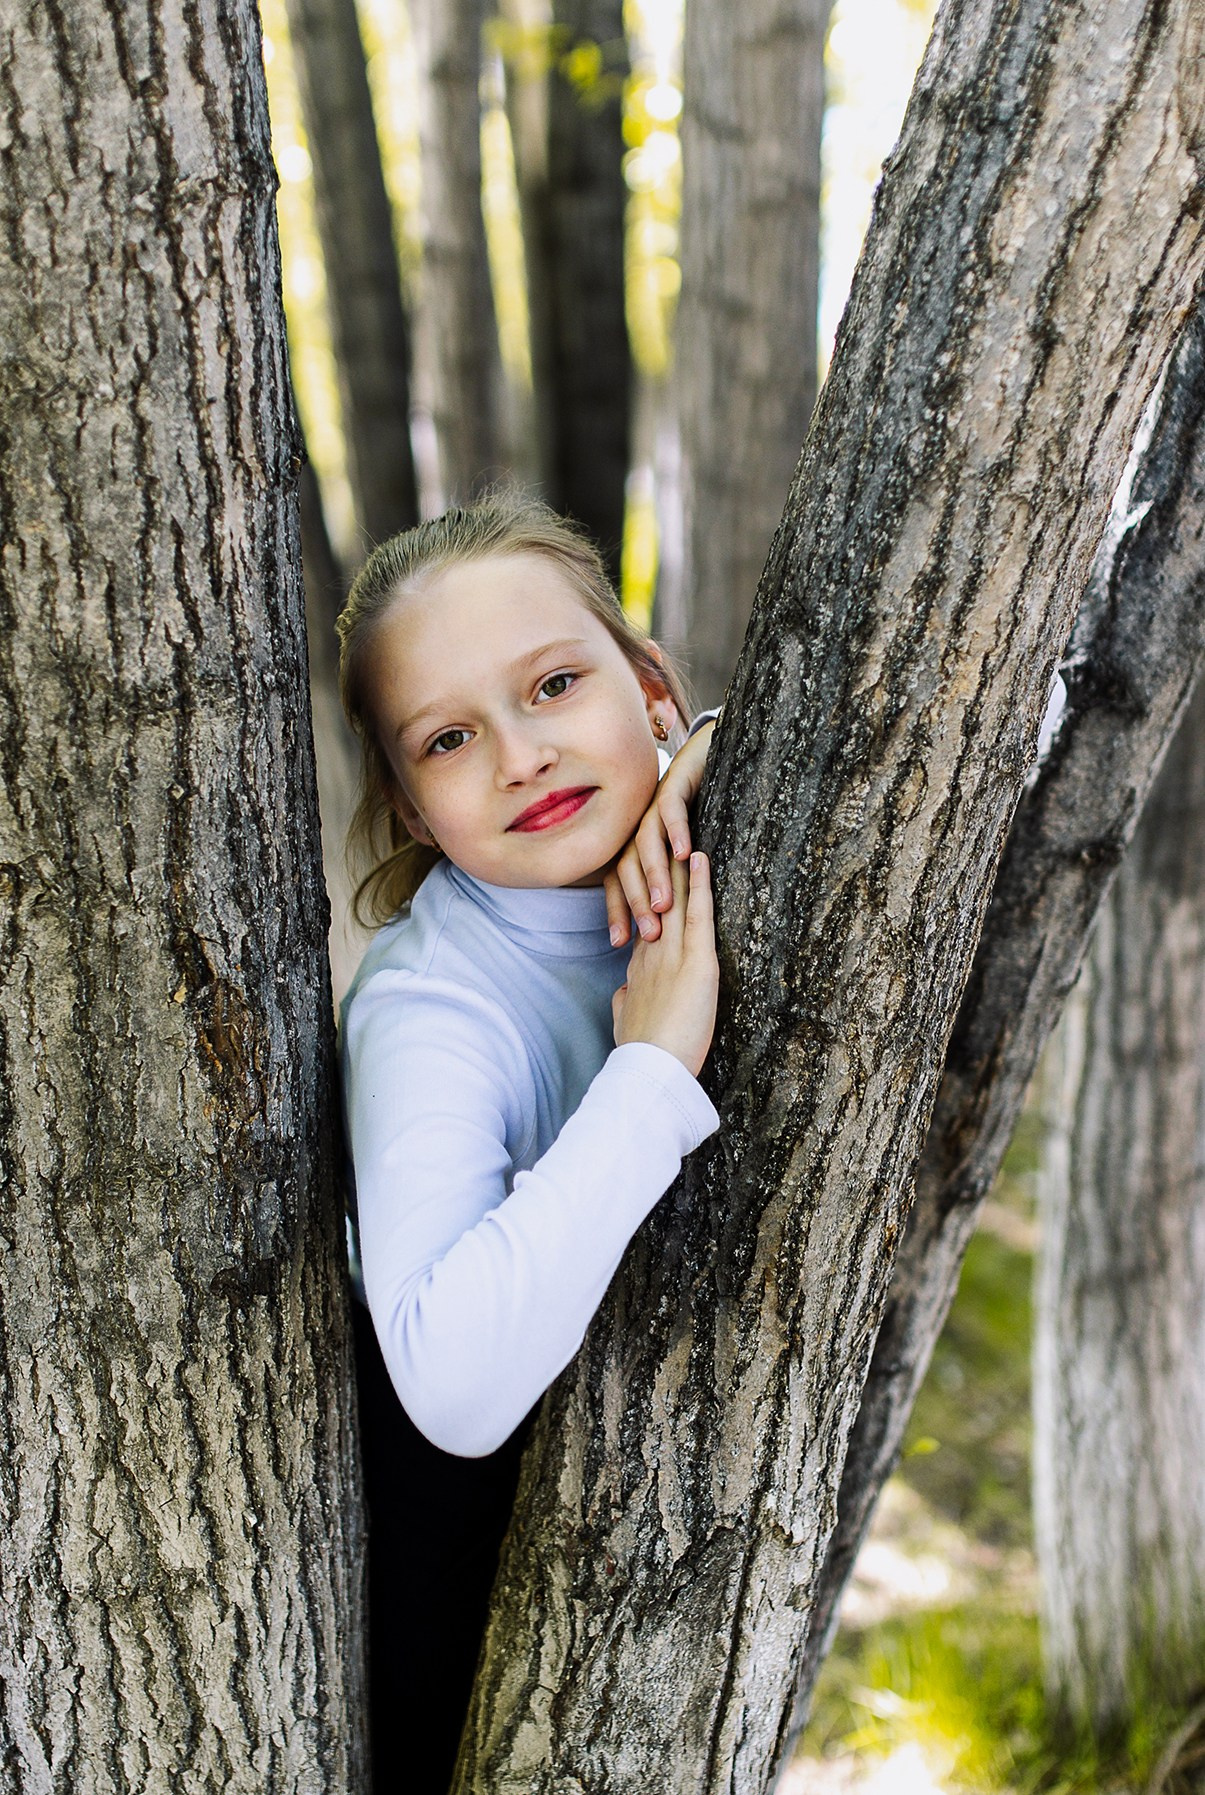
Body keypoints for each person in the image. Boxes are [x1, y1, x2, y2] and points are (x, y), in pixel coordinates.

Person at [335, 492, 720, 1790]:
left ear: (649, 686)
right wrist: (648, 1074)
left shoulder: (698, 826)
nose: (522, 756)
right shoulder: (432, 1004)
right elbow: (451, 1386)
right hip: (456, 1608)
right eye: (449, 739)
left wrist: (717, 746)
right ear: (408, 808)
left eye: (555, 684)